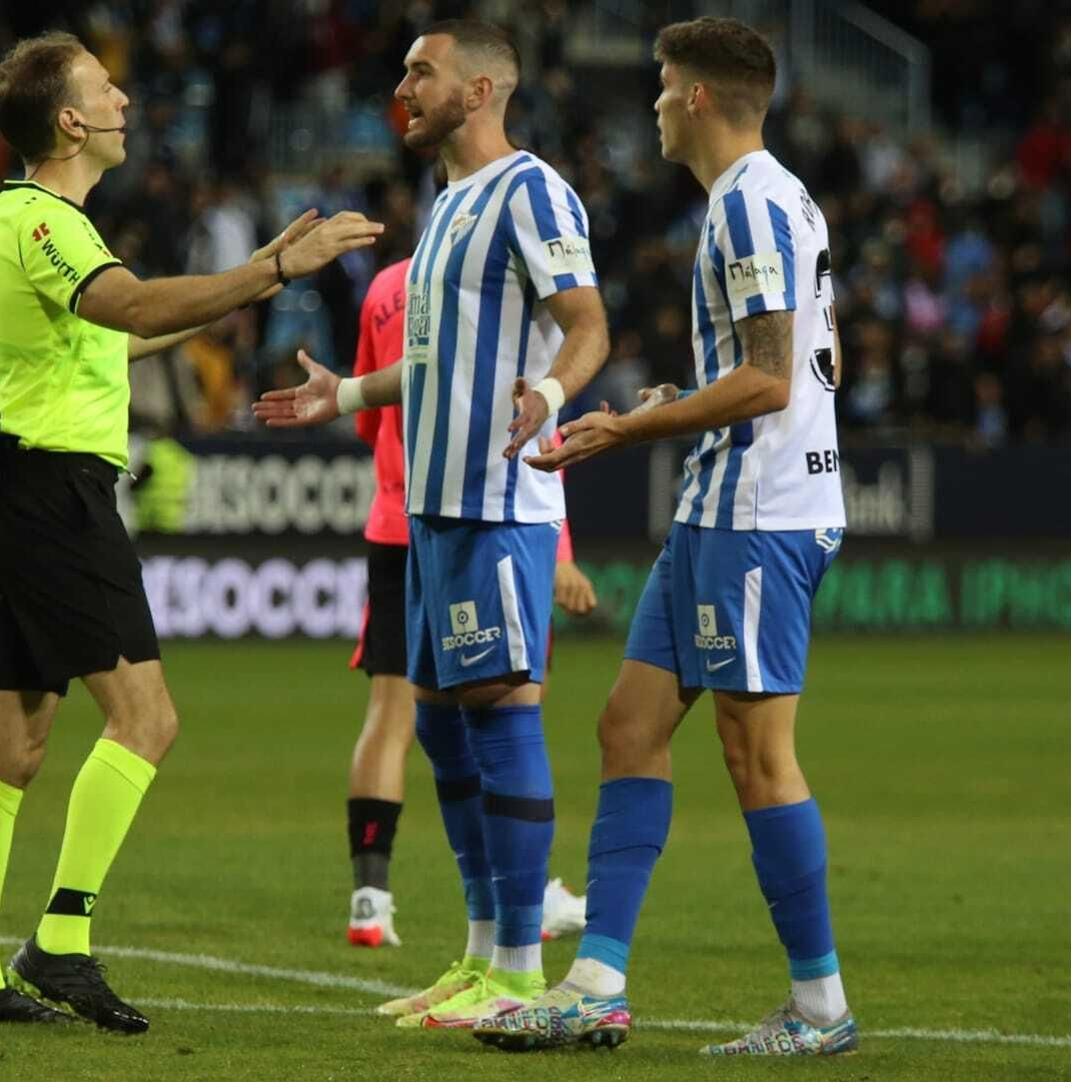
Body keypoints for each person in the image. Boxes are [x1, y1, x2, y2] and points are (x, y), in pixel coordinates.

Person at [0, 30, 381, 1030]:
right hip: (52, 496)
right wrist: (271, 264)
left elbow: (134, 327)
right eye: (106, 89)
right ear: (68, 120)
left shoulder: (40, 225)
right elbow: (133, 305)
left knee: (11, 742)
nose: (125, 100)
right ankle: (60, 941)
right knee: (146, 720)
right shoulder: (36, 218)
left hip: (21, 487)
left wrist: (260, 283)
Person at [473, 17, 857, 1056]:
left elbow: (773, 378)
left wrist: (629, 424)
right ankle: (595, 979)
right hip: (717, 503)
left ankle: (819, 1005)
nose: (648, 102)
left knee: (755, 752)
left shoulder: (749, 203)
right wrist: (678, 404)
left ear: (695, 96)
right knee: (628, 727)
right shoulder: (766, 199)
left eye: (659, 84)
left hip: (759, 512)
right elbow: (769, 371)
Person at [255, 20, 610, 1030]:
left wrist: (545, 391)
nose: (403, 85)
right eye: (404, 69)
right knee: (445, 724)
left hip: (501, 500)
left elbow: (589, 323)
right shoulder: (447, 206)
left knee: (498, 711)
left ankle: (519, 975)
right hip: (433, 507)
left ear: (485, 85)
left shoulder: (532, 189)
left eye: (425, 71)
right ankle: (478, 952)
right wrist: (346, 392)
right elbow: (437, 363)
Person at [344, 257, 594, 949]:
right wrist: (563, 548)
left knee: (395, 716)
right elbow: (523, 411)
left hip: (397, 517)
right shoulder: (506, 281)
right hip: (479, 518)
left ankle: (371, 897)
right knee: (508, 712)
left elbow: (373, 418)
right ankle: (521, 906)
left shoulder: (386, 288)